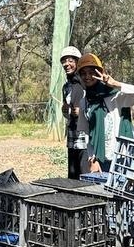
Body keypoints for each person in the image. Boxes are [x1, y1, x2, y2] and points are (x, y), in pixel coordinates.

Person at [77, 52, 134, 173]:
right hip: (101, 159)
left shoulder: (116, 96)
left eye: (91, 72)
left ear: (99, 72)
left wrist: (116, 84)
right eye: (83, 73)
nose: (87, 77)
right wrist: (92, 159)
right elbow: (87, 134)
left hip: (123, 155)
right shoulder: (84, 102)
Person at [59, 46, 89, 179]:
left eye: (70, 60)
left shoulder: (86, 82)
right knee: (72, 171)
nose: (67, 64)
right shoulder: (66, 87)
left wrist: (83, 112)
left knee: (84, 169)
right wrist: (64, 111)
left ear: (77, 62)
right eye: (64, 61)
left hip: (85, 133)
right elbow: (68, 111)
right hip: (72, 133)